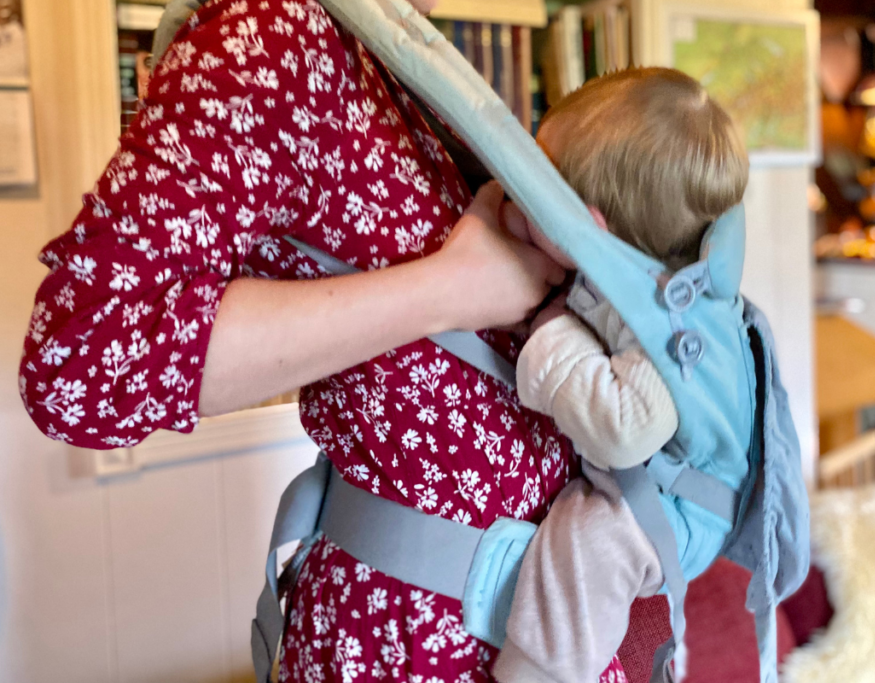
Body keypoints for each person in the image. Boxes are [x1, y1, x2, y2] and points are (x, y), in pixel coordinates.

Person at [18, 0, 632, 681]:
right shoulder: (278, 32)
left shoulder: (390, 50)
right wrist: (447, 290)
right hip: (416, 648)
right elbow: (84, 360)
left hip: (530, 625)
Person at [492, 69, 750, 683]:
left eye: (537, 195)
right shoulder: (641, 272)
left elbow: (628, 427)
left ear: (588, 226)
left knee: (589, 540)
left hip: (685, 509)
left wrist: (553, 335)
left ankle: (541, 673)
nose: (522, 203)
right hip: (667, 488)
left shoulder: (664, 318)